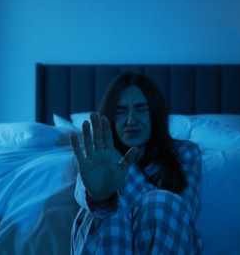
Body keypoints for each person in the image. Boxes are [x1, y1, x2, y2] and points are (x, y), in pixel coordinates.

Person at [70, 72, 203, 254]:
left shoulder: (186, 154)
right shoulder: (98, 156)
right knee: (111, 209)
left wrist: (123, 168)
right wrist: (98, 195)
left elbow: (186, 213)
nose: (131, 121)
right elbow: (83, 196)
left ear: (155, 113)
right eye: (121, 111)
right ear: (110, 116)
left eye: (141, 109)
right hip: (107, 235)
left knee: (159, 203)